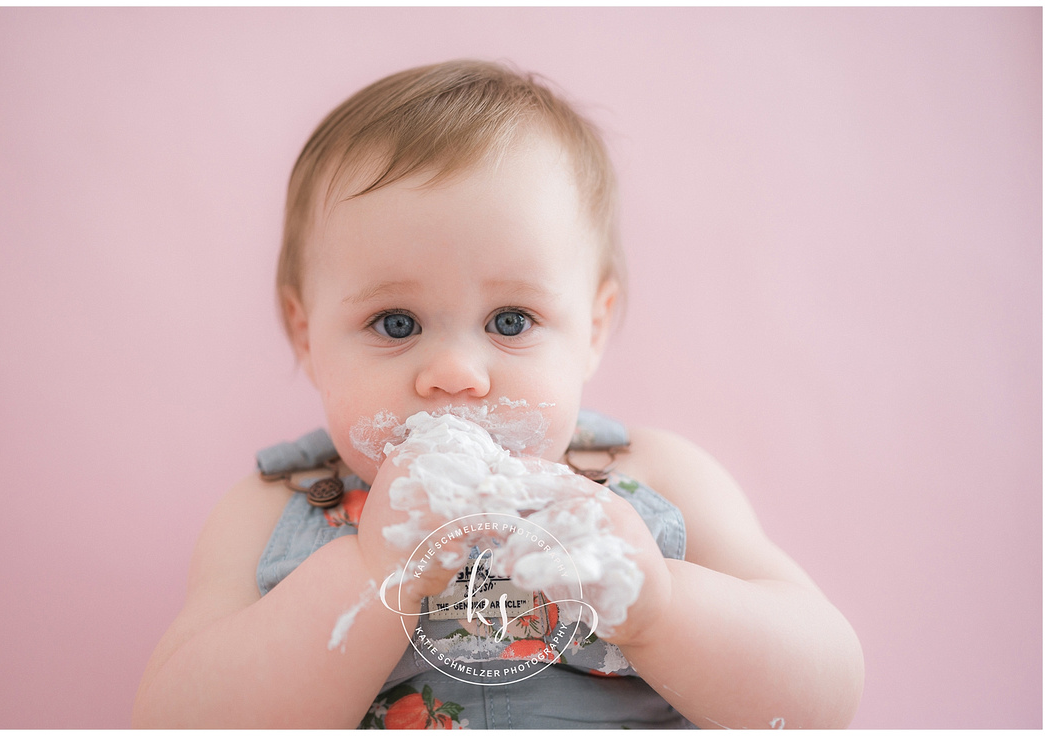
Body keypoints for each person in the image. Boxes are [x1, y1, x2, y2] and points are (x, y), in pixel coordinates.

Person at [132, 59, 864, 729]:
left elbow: (824, 697)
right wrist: (370, 574)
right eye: (396, 322)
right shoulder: (269, 509)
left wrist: (661, 610)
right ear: (306, 335)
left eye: (510, 321)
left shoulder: (657, 477)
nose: (457, 373)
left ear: (593, 329)